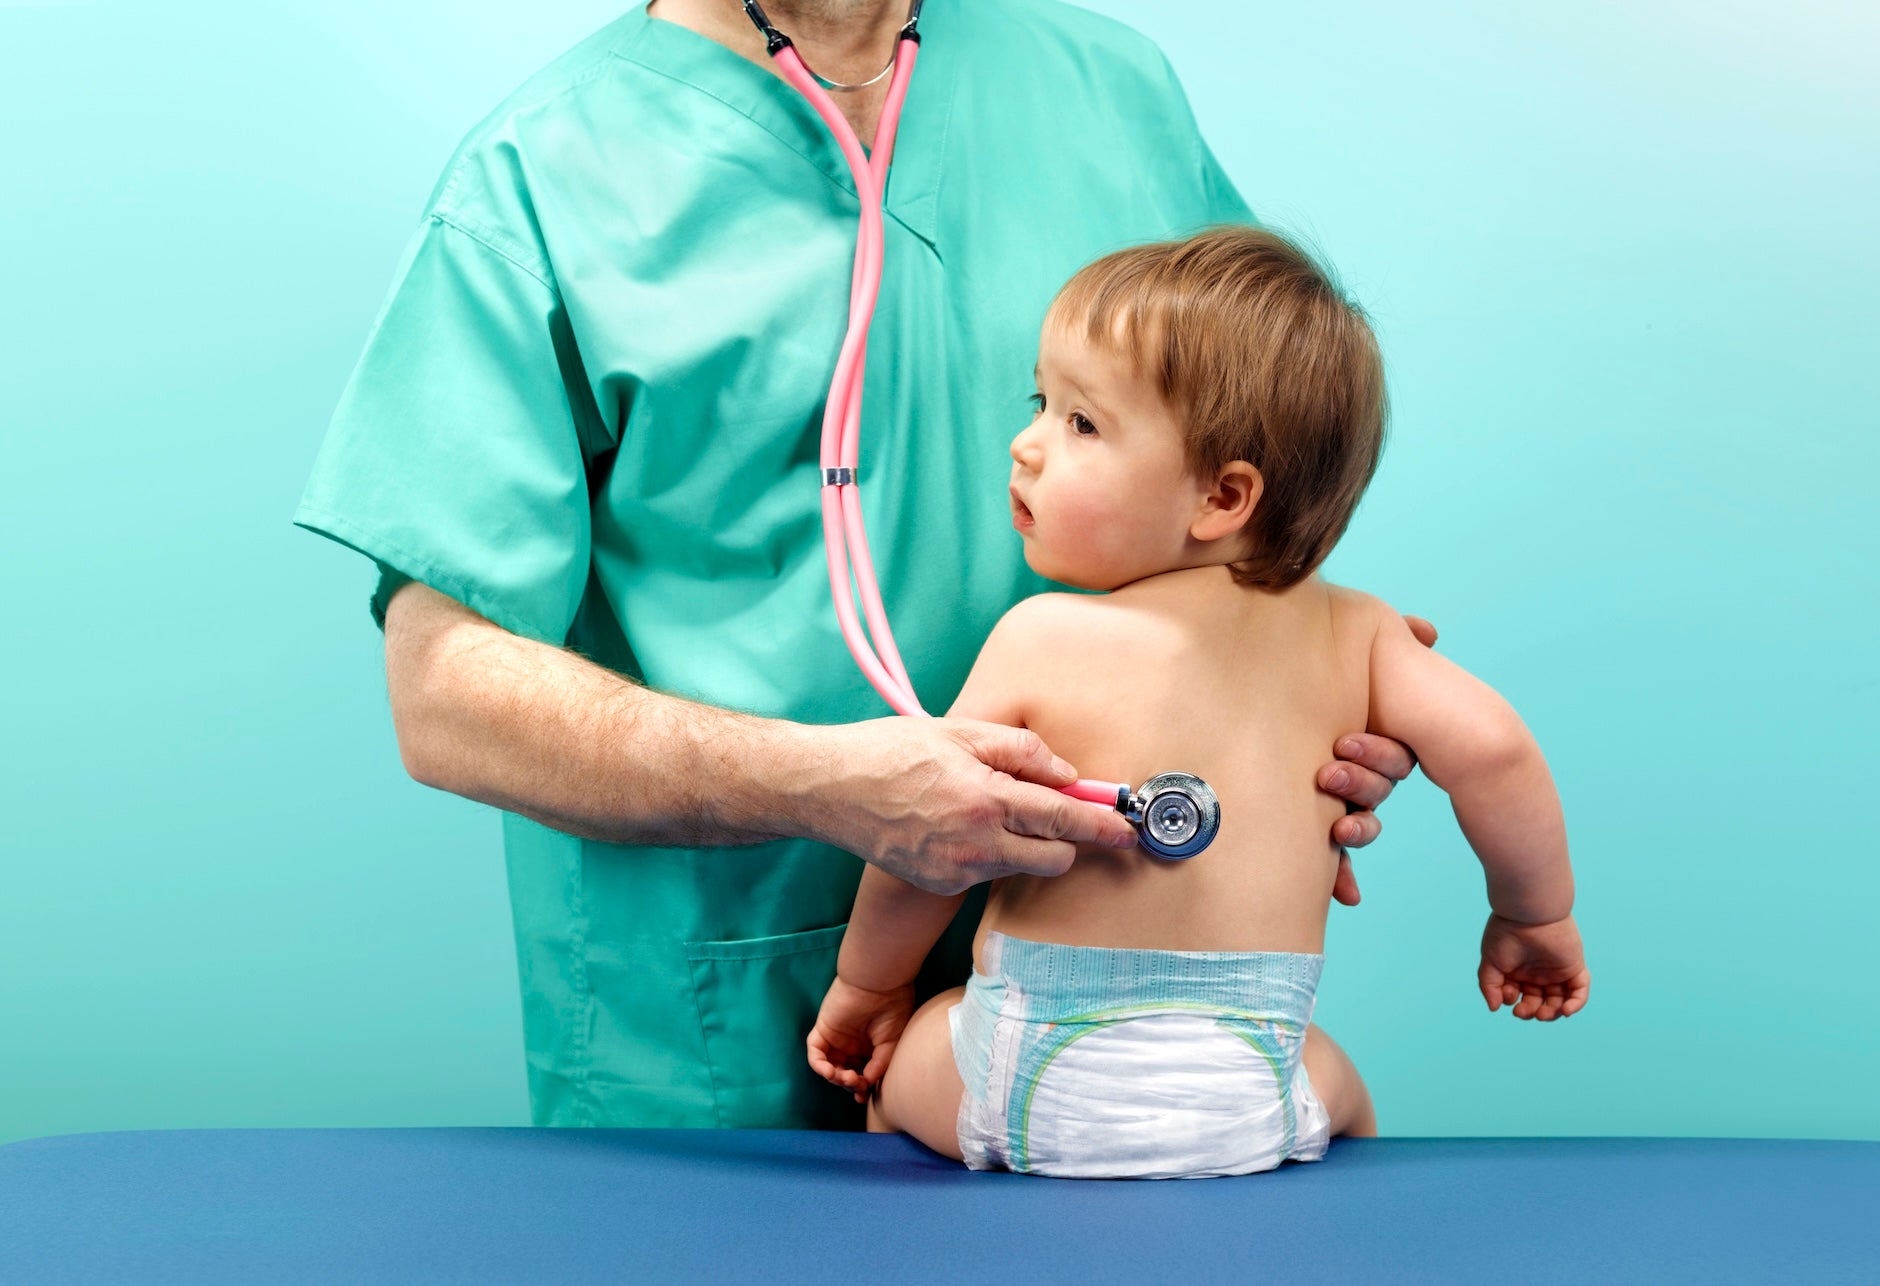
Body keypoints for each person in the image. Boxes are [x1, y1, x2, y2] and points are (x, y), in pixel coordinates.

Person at [294, 0, 1436, 1131]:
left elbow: (1256, 478)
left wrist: (1302, 709)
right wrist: (822, 786)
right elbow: (442, 695)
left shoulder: (1110, 88)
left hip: (1109, 993)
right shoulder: (542, 170)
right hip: (715, 1035)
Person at [806, 227, 1590, 1178]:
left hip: (1032, 1079)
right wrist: (1532, 919)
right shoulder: (1361, 633)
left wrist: (868, 987)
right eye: (1040, 404)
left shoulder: (1043, 635)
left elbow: (923, 839)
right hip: (1251, 1082)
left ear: (1222, 497)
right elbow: (1497, 750)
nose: (1027, 443)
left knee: (912, 1056)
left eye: (1081, 423)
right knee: (1339, 1084)